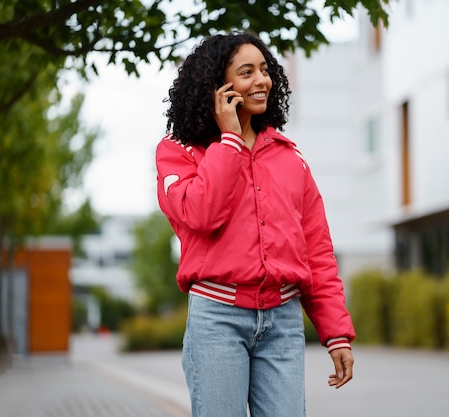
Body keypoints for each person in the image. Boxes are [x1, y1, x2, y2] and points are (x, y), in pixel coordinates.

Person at [155, 31, 355, 417]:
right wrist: (229, 139)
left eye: (265, 70)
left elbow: (317, 251)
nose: (262, 80)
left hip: (282, 322)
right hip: (217, 320)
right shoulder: (178, 153)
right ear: (218, 87)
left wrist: (336, 333)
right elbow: (202, 213)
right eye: (247, 72)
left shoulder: (289, 157)